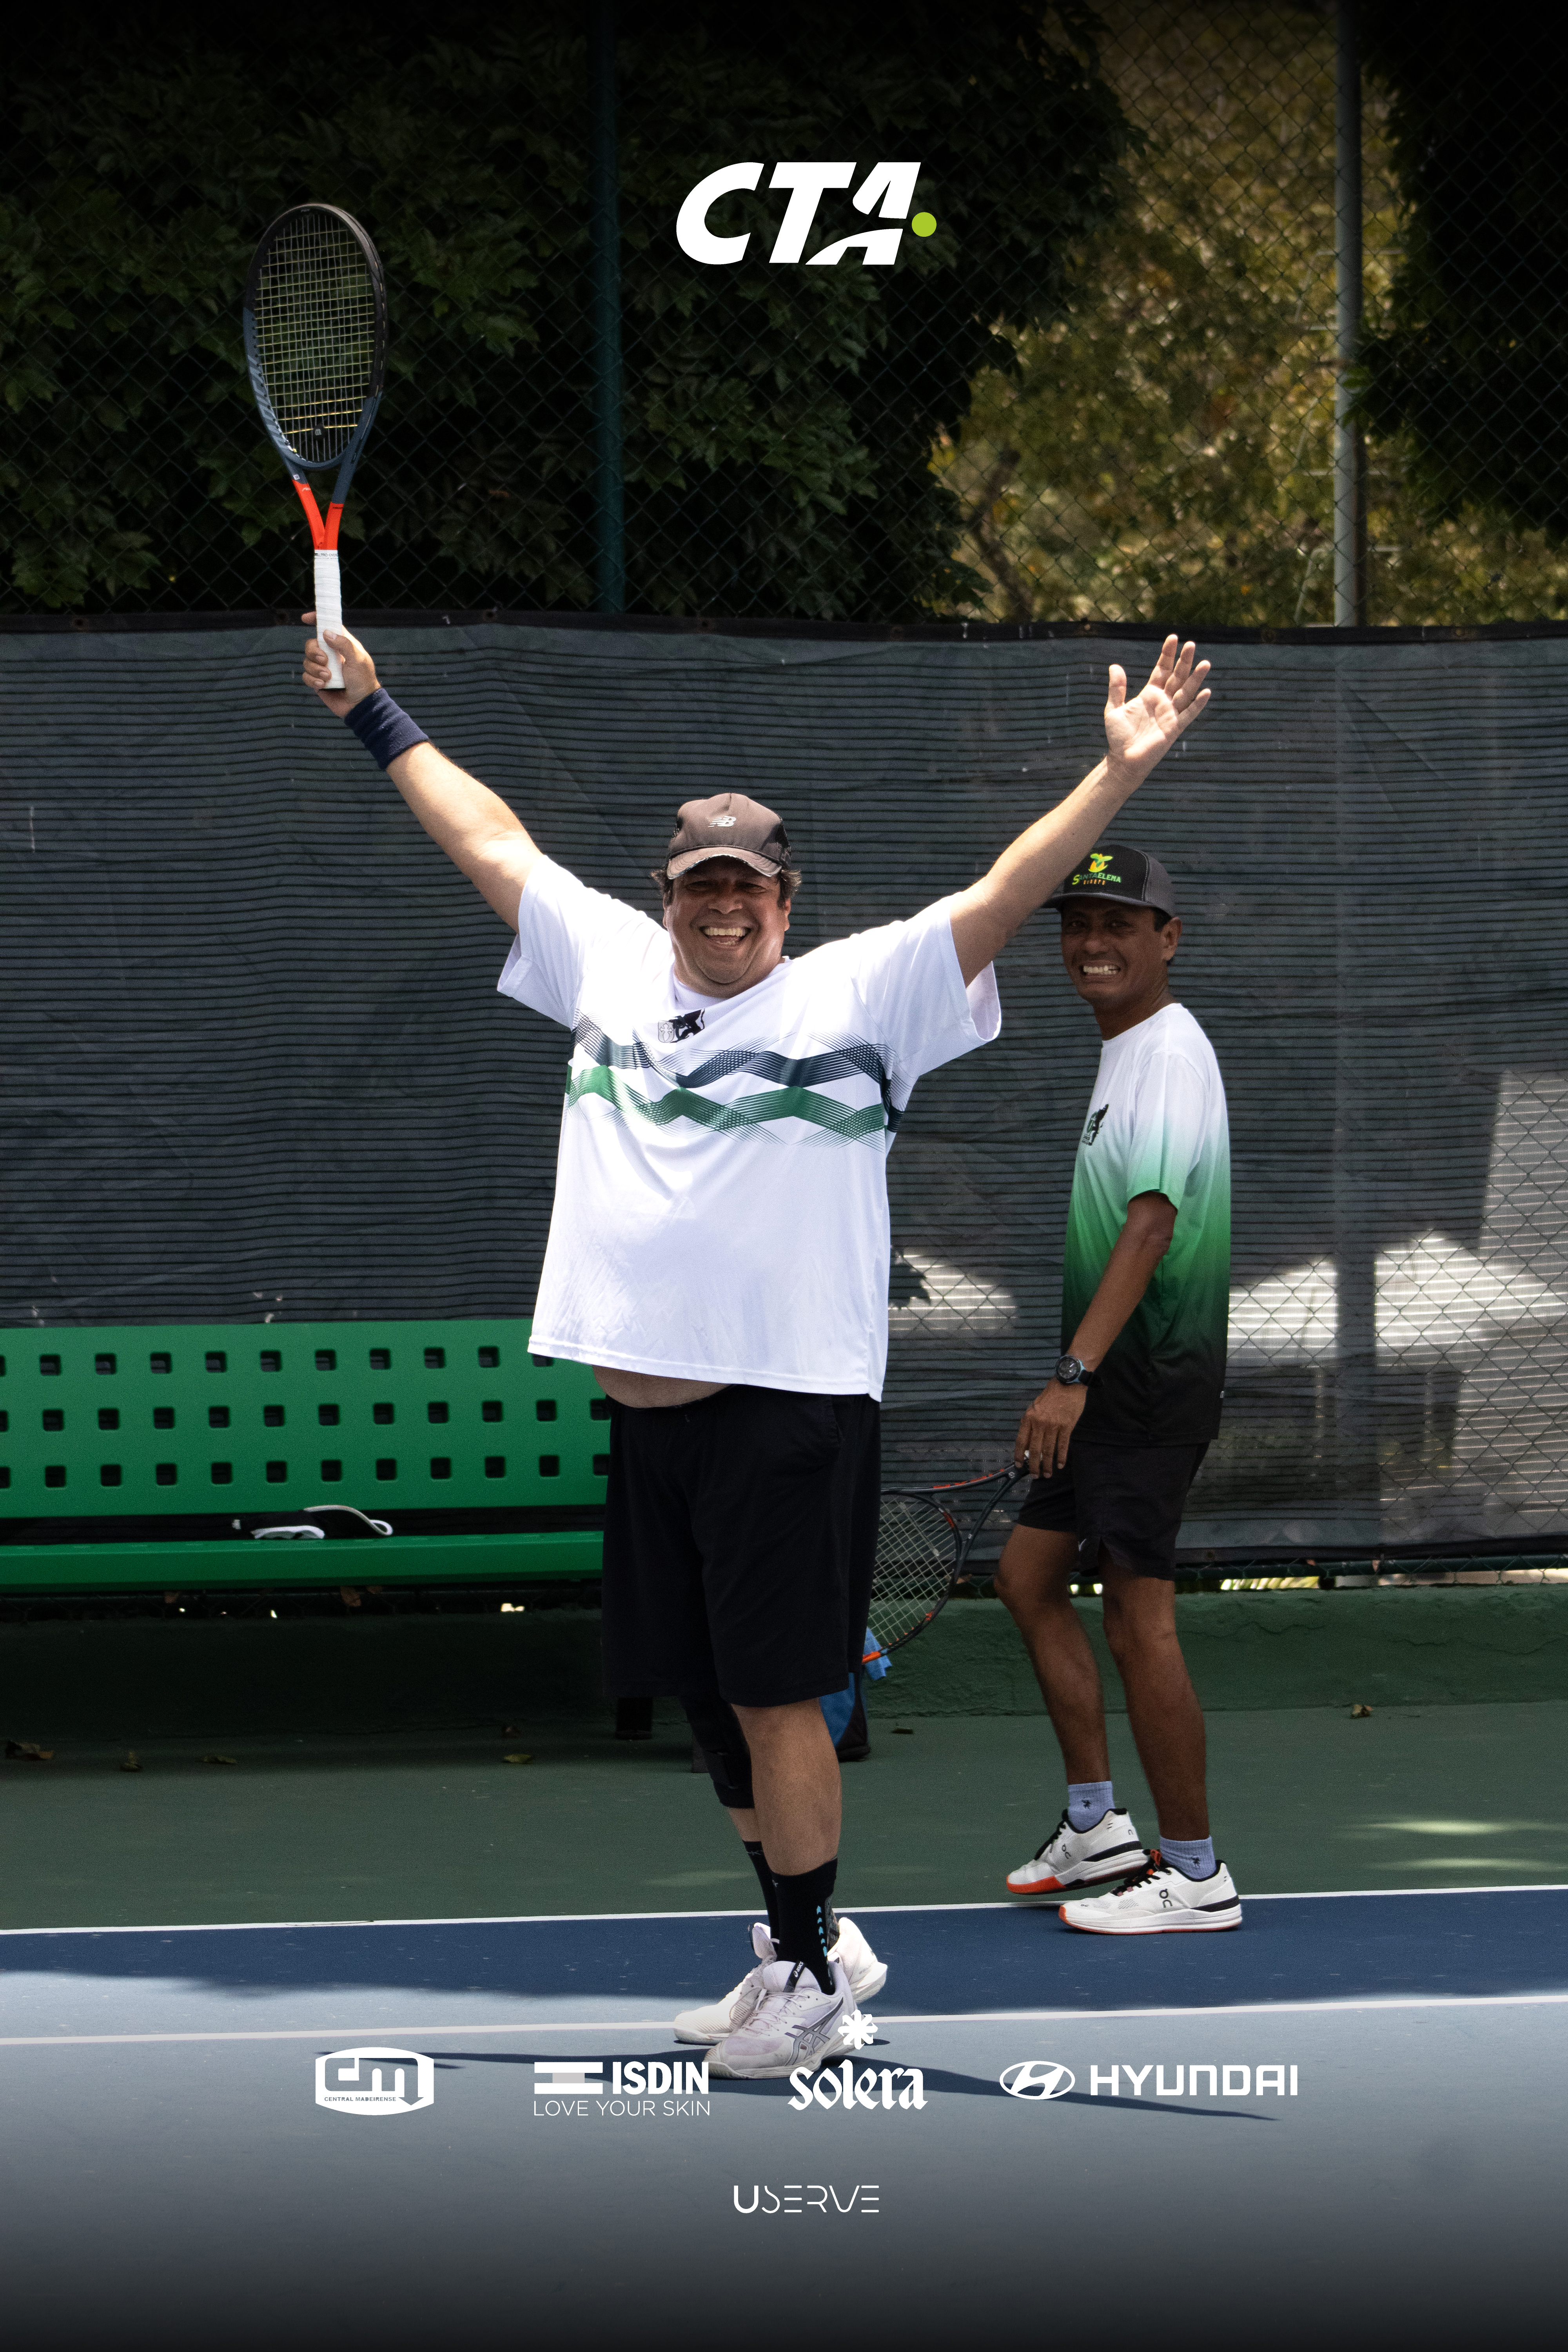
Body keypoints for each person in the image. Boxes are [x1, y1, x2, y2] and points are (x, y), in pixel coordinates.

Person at [300, 619, 1212, 2058]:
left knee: (779, 1697)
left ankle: (813, 1981)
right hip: (650, 1422)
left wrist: (1118, 776)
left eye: (747, 887)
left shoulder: (864, 991)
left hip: (786, 1412)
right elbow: (489, 837)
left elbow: (1002, 891)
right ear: (668, 897)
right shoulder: (607, 963)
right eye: (701, 887)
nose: (723, 908)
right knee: (713, 1703)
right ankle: (806, 1946)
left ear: (786, 899)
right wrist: (372, 709)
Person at [995, 843, 1240, 1933]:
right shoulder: (1127, 1050)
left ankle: (1195, 1876)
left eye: (1119, 924)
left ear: (1167, 938)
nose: (1092, 943)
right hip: (1105, 1384)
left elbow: (1150, 1228)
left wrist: (1071, 1377)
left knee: (1141, 1625)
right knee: (1027, 1577)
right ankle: (1098, 1826)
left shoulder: (1169, 1052)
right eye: (1077, 924)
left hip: (1144, 1382)